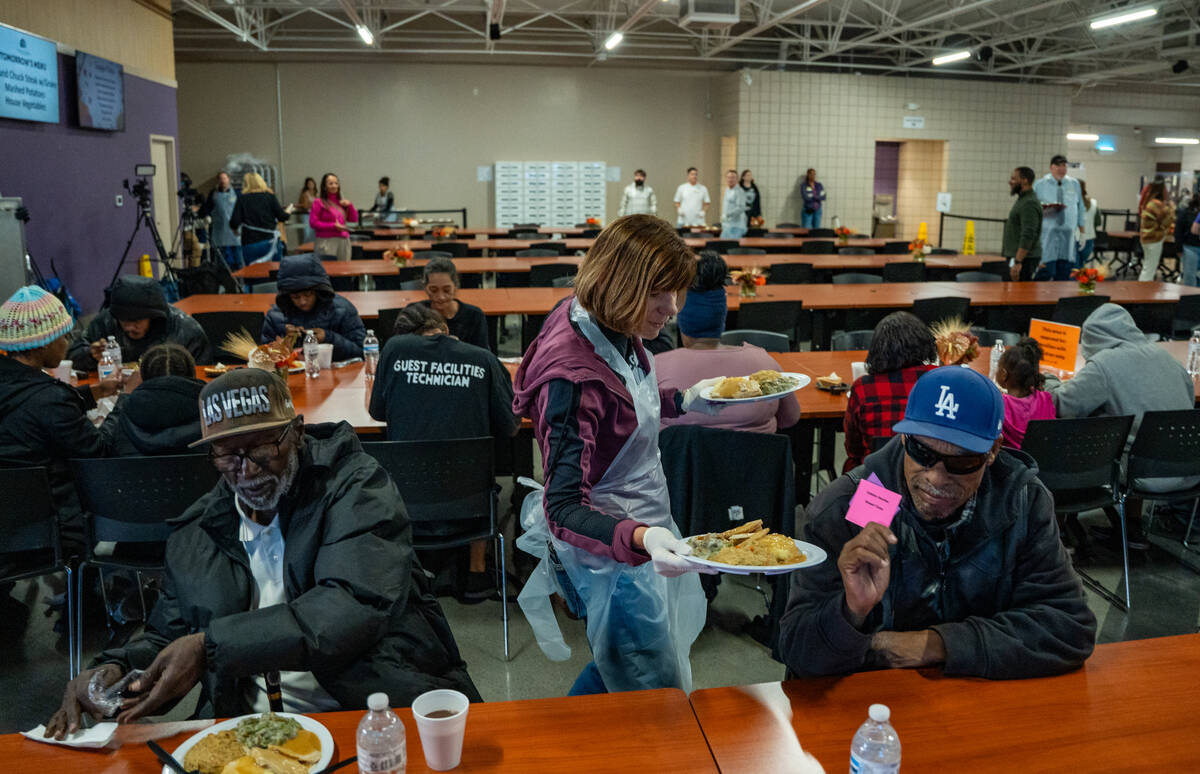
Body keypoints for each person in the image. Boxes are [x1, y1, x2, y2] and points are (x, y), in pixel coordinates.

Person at [44, 369, 480, 737]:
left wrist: (210, 646)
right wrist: (116, 669)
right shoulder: (198, 531)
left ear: (297, 432)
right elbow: (170, 635)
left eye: (263, 448)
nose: (248, 471)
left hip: (368, 713)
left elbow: (352, 605)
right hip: (250, 728)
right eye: (228, 455)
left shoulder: (356, 488)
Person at [513, 214, 725, 696]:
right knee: (648, 681)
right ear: (621, 284)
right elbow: (562, 507)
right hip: (611, 552)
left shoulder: (606, 319)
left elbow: (624, 405)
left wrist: (683, 400)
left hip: (641, 522)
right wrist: (641, 537)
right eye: (658, 293)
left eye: (675, 292)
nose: (672, 309)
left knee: (628, 666)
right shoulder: (571, 379)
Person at [779, 366, 1097, 679]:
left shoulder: (1022, 502)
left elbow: (1069, 626)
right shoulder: (843, 507)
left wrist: (936, 644)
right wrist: (850, 612)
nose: (936, 477)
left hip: (979, 699)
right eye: (922, 452)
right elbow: (798, 653)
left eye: (962, 461)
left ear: (993, 451)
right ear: (903, 439)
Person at [369, 304, 520, 603]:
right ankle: (477, 572)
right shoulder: (482, 358)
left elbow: (377, 412)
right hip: (469, 498)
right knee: (480, 473)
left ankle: (415, 568)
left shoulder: (395, 350)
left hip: (408, 495)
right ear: (446, 329)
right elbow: (512, 426)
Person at [1044, 303, 1196, 547]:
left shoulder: (1104, 364)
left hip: (1141, 473)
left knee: (1086, 437)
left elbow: (1063, 406)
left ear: (1092, 339)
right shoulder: (1169, 359)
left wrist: (1049, 381)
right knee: (1137, 434)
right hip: (1188, 469)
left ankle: (1058, 531)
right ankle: (1132, 527)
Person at [0, 286, 118, 553]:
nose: (67, 343)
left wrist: (95, 392)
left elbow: (29, 408)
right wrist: (124, 405)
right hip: (53, 529)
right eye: (63, 336)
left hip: (9, 529)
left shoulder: (33, 393)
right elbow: (99, 451)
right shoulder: (51, 400)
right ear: (43, 343)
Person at [656, 251, 799, 434]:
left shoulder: (656, 368)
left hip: (678, 453)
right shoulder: (765, 364)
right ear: (722, 318)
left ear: (681, 320)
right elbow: (790, 418)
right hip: (753, 453)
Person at [842, 311, 937, 473]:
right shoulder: (937, 379)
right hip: (927, 474)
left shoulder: (863, 388)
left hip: (877, 479)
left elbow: (853, 449)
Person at [69, 275, 212, 370]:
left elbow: (201, 376)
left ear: (153, 317)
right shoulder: (106, 322)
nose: (129, 327)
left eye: (137, 321)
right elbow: (71, 357)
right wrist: (90, 355)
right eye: (124, 321)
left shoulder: (185, 330)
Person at [100, 343, 205, 456]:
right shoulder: (208, 403)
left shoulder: (127, 406)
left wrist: (125, 396)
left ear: (143, 376)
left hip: (134, 467)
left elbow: (105, 444)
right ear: (192, 373)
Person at [259, 253, 367, 360]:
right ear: (287, 296)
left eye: (308, 294)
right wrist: (283, 345)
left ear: (318, 291)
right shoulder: (275, 316)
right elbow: (262, 358)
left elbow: (362, 351)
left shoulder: (342, 310)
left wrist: (329, 338)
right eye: (295, 297)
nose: (302, 301)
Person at [413, 256, 490, 351]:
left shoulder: (474, 316)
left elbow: (483, 355)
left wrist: (458, 348)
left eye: (447, 290)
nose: (441, 297)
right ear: (425, 288)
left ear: (456, 287)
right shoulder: (415, 314)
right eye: (433, 290)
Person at [995, 337, 1055, 449]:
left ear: (1003, 374)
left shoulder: (999, 404)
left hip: (1009, 458)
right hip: (1039, 457)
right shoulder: (1045, 399)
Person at [1033, 155, 1086, 281]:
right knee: (1046, 270)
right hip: (1047, 235)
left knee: (1065, 272)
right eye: (1059, 166)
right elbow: (1033, 209)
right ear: (1052, 167)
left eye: (1064, 166)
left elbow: (1080, 208)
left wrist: (1082, 232)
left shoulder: (1074, 184)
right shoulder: (1040, 184)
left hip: (1068, 235)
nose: (1062, 169)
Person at [229, 172, 292, 265]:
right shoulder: (270, 197)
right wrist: (289, 210)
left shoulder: (242, 199)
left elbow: (234, 222)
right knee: (274, 271)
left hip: (250, 243)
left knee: (253, 272)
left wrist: (236, 231)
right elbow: (282, 217)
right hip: (270, 242)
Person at [1004, 166, 1043, 281]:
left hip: (1025, 260)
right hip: (1019, 258)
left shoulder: (1029, 203)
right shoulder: (1023, 200)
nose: (1010, 182)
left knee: (1020, 291)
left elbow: (1028, 234)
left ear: (1025, 180)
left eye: (1013, 179)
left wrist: (1017, 262)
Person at [310, 172, 358, 261]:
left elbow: (354, 219)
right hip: (326, 241)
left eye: (336, 183)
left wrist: (350, 205)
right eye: (330, 183)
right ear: (324, 186)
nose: (334, 186)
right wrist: (333, 226)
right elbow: (313, 223)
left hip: (344, 240)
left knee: (344, 268)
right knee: (327, 268)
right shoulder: (318, 202)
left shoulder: (342, 202)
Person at [198, 171, 241, 270]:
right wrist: (206, 215)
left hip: (234, 230)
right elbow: (207, 208)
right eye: (221, 179)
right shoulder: (214, 194)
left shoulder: (237, 193)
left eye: (224, 178)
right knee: (220, 259)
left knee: (238, 258)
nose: (223, 181)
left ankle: (240, 278)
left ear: (228, 179)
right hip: (220, 230)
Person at [1138, 180, 1174, 282]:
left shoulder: (1149, 203)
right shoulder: (1157, 204)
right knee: (1149, 270)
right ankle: (1143, 290)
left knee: (1147, 267)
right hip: (1154, 239)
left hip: (1147, 238)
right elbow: (1167, 221)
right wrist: (1171, 207)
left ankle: (1143, 288)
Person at [1077, 181, 1100, 270]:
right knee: (1081, 265)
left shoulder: (1070, 203)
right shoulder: (1094, 203)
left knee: (1074, 268)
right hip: (1089, 239)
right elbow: (1098, 222)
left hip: (1074, 239)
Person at [1179, 193, 1200, 287]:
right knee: (1191, 277)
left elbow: (1194, 229)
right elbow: (1194, 229)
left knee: (1190, 277)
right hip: (1191, 247)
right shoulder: (1187, 213)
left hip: (1190, 247)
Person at [720, 169, 748, 239]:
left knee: (732, 245)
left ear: (737, 179)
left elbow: (741, 207)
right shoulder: (727, 189)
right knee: (721, 243)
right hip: (727, 225)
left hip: (736, 226)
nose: (730, 180)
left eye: (733, 177)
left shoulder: (739, 191)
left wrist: (727, 214)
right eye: (729, 177)